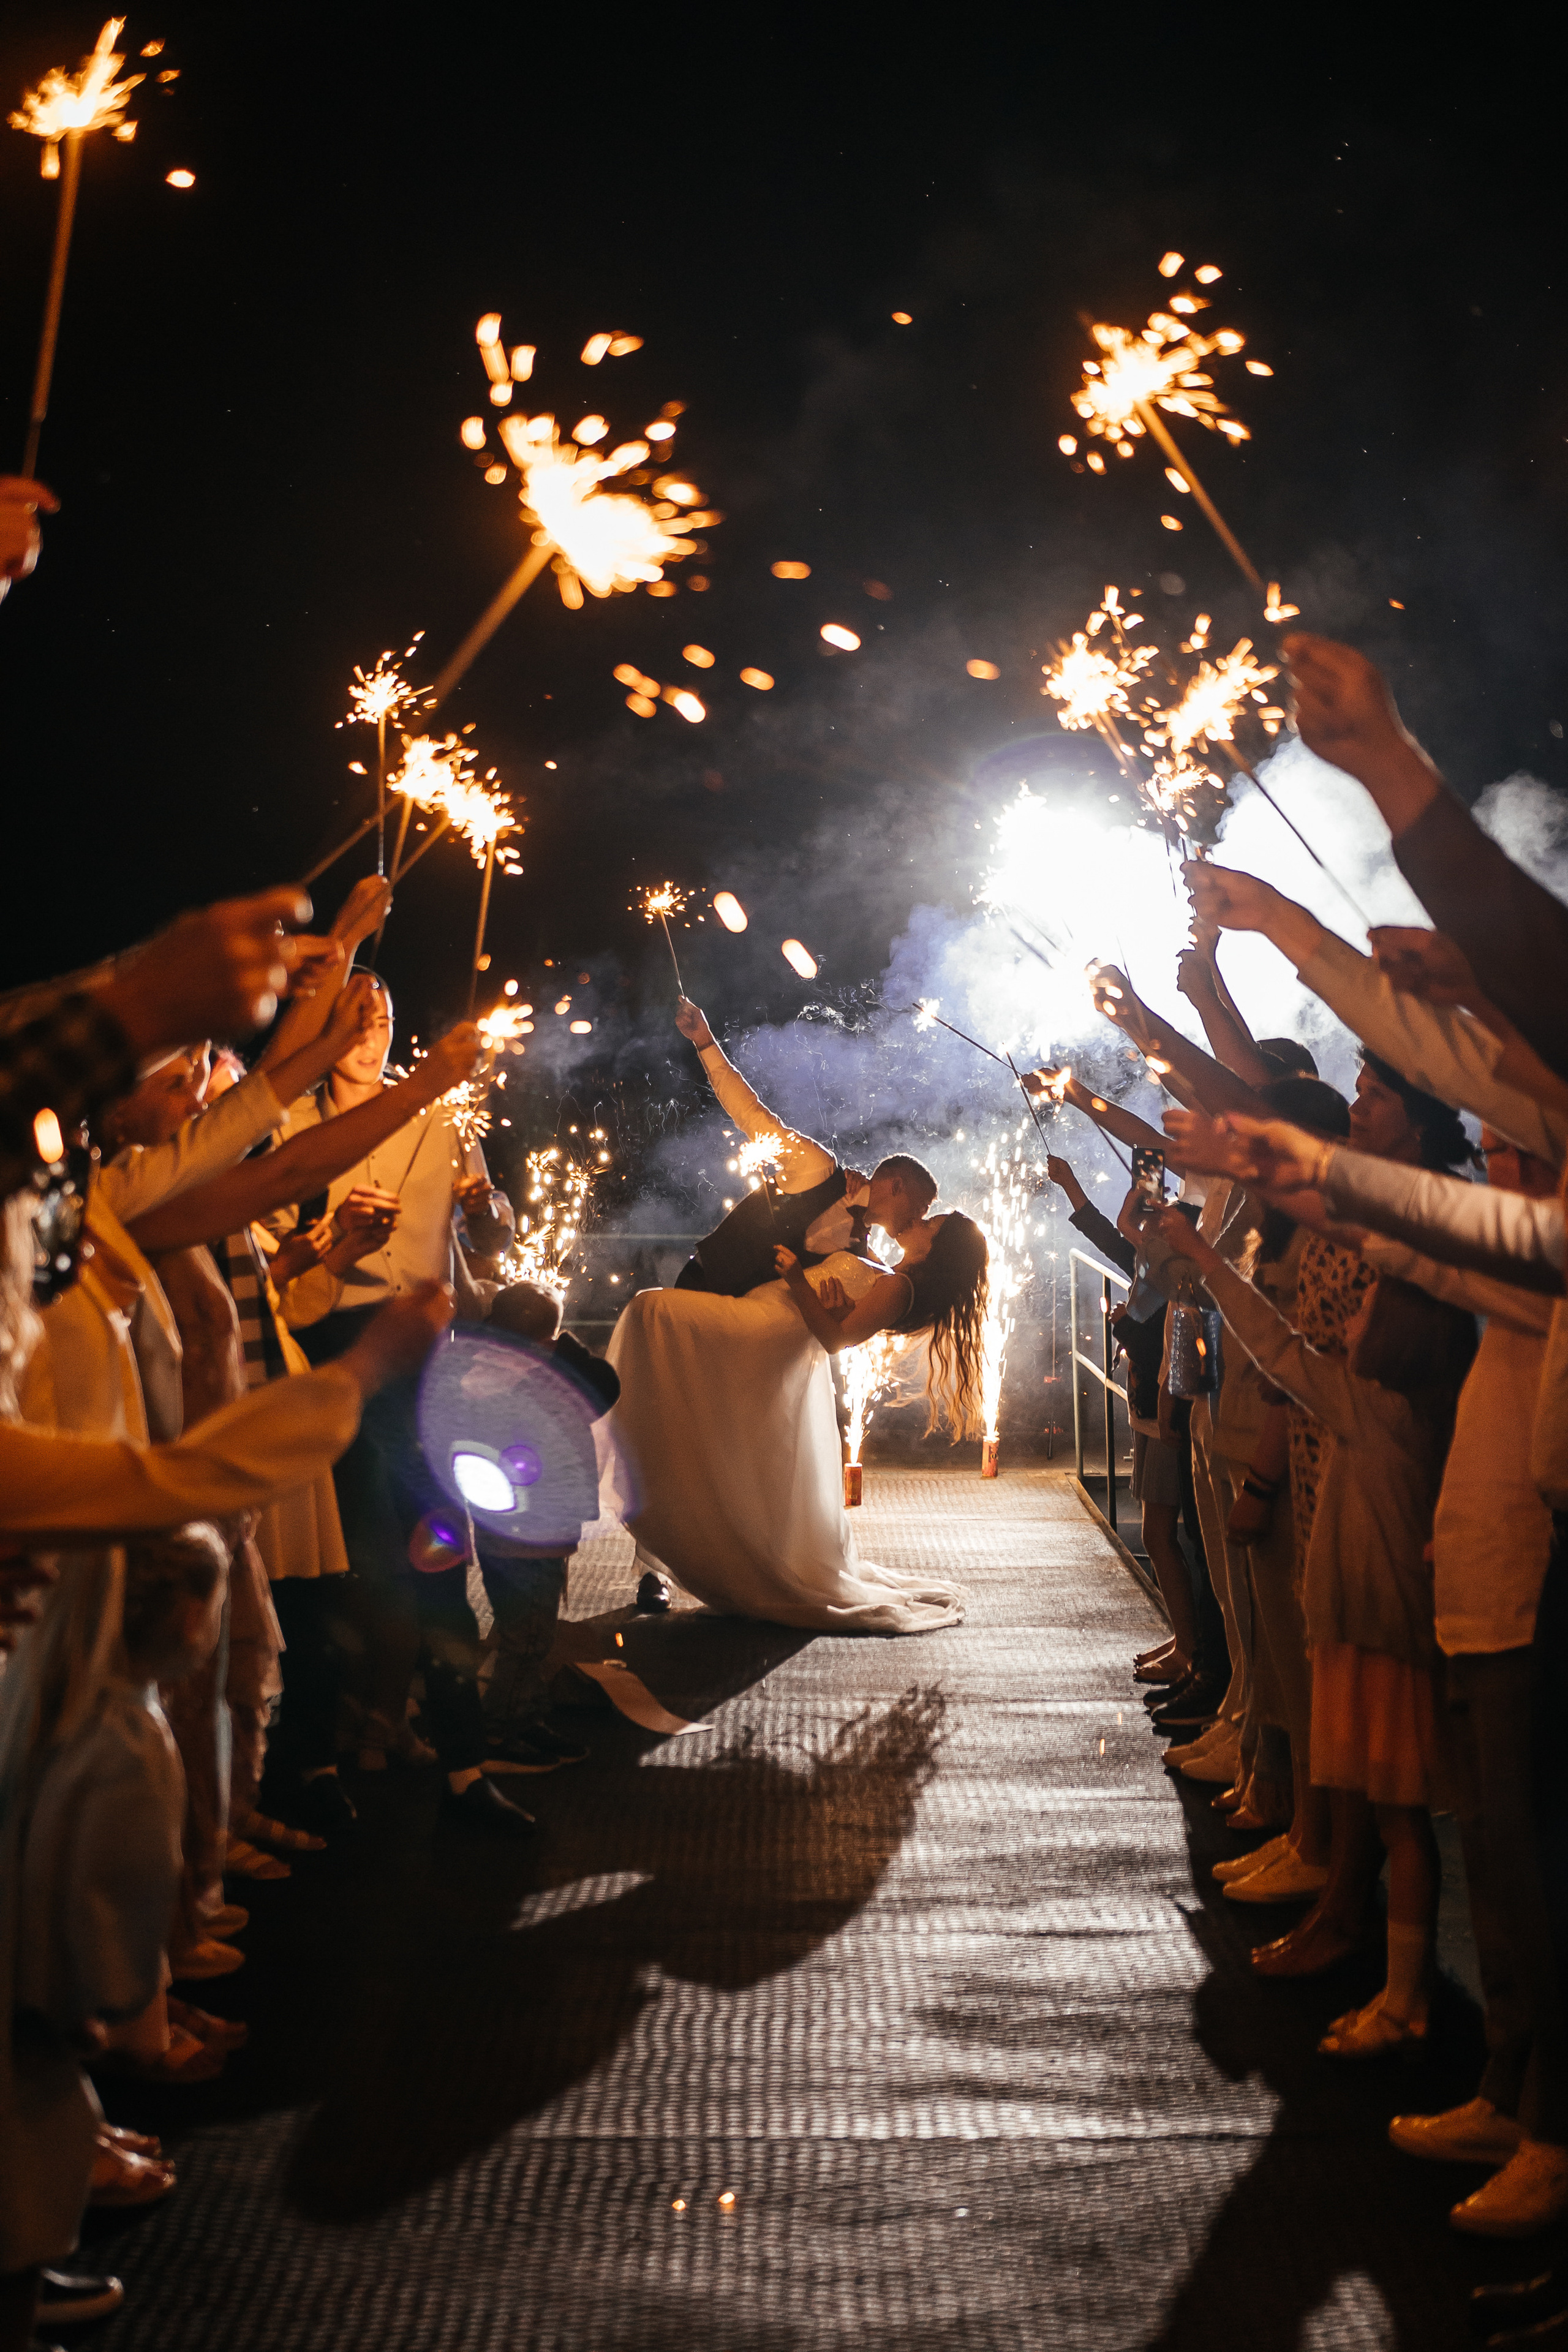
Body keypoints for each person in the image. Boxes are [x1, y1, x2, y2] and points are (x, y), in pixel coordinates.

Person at [601, 1001, 987, 1634]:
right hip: (710, 1294)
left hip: (756, 1348)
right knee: (667, 1414)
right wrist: (704, 1043)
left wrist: (820, 1302)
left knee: (717, 1446)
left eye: (923, 1219)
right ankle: (656, 1567)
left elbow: (848, 1316)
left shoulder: (869, 1257)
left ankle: (734, 1555)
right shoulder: (816, 1168)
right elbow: (751, 1115)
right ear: (891, 1187)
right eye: (915, 1208)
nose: (912, 1223)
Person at [273, 976, 532, 1834]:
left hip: (423, 1360)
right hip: (329, 1352)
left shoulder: (442, 1117)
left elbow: (490, 1231)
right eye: (355, 1017)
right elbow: (270, 1252)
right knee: (328, 1569)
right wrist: (331, 1246)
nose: (371, 1032)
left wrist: (487, 1210)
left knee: (439, 1561)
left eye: (384, 1016)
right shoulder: (293, 1126)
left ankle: (465, 1771)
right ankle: (313, 1766)